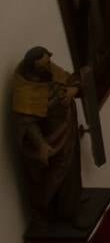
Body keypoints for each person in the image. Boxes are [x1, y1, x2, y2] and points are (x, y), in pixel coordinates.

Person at [12, 47, 85, 223]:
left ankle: (73, 207)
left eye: (48, 62)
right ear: (33, 68)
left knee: (72, 171)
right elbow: (27, 123)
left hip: (67, 132)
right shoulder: (25, 91)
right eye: (44, 65)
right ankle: (59, 215)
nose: (49, 67)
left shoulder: (49, 70)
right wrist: (41, 144)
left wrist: (72, 90)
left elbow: (72, 79)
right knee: (56, 177)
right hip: (52, 142)